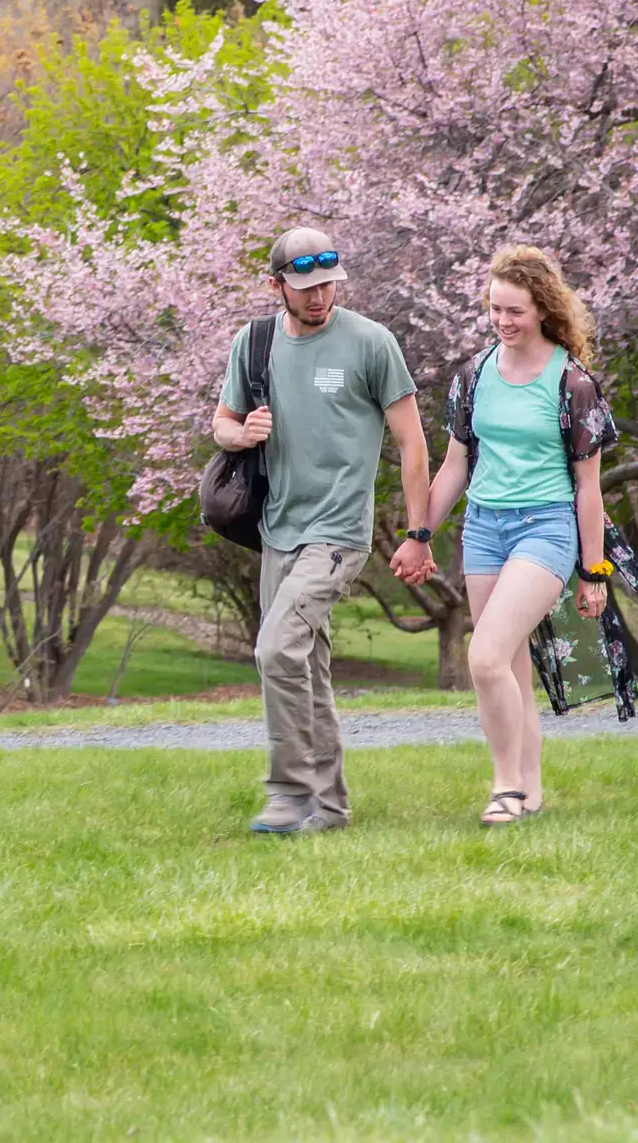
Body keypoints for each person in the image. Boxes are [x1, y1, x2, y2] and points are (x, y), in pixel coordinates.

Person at [214, 227, 434, 834]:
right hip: (277, 529)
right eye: (306, 287)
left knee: (275, 648)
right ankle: (330, 809)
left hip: (338, 533)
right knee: (304, 666)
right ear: (276, 285)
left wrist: (419, 533)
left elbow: (412, 442)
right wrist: (242, 434)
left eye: (329, 285)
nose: (320, 297)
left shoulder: (371, 343)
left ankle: (287, 791)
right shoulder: (254, 344)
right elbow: (222, 424)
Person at [418, 246, 619, 826]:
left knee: (483, 658)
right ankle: (529, 790)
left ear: (543, 310)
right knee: (508, 666)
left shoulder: (573, 383)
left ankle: (503, 786)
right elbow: (456, 464)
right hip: (484, 528)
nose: (503, 321)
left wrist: (593, 569)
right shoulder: (474, 374)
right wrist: (419, 532)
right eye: (495, 309)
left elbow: (588, 487)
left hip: (546, 527)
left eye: (515, 311)